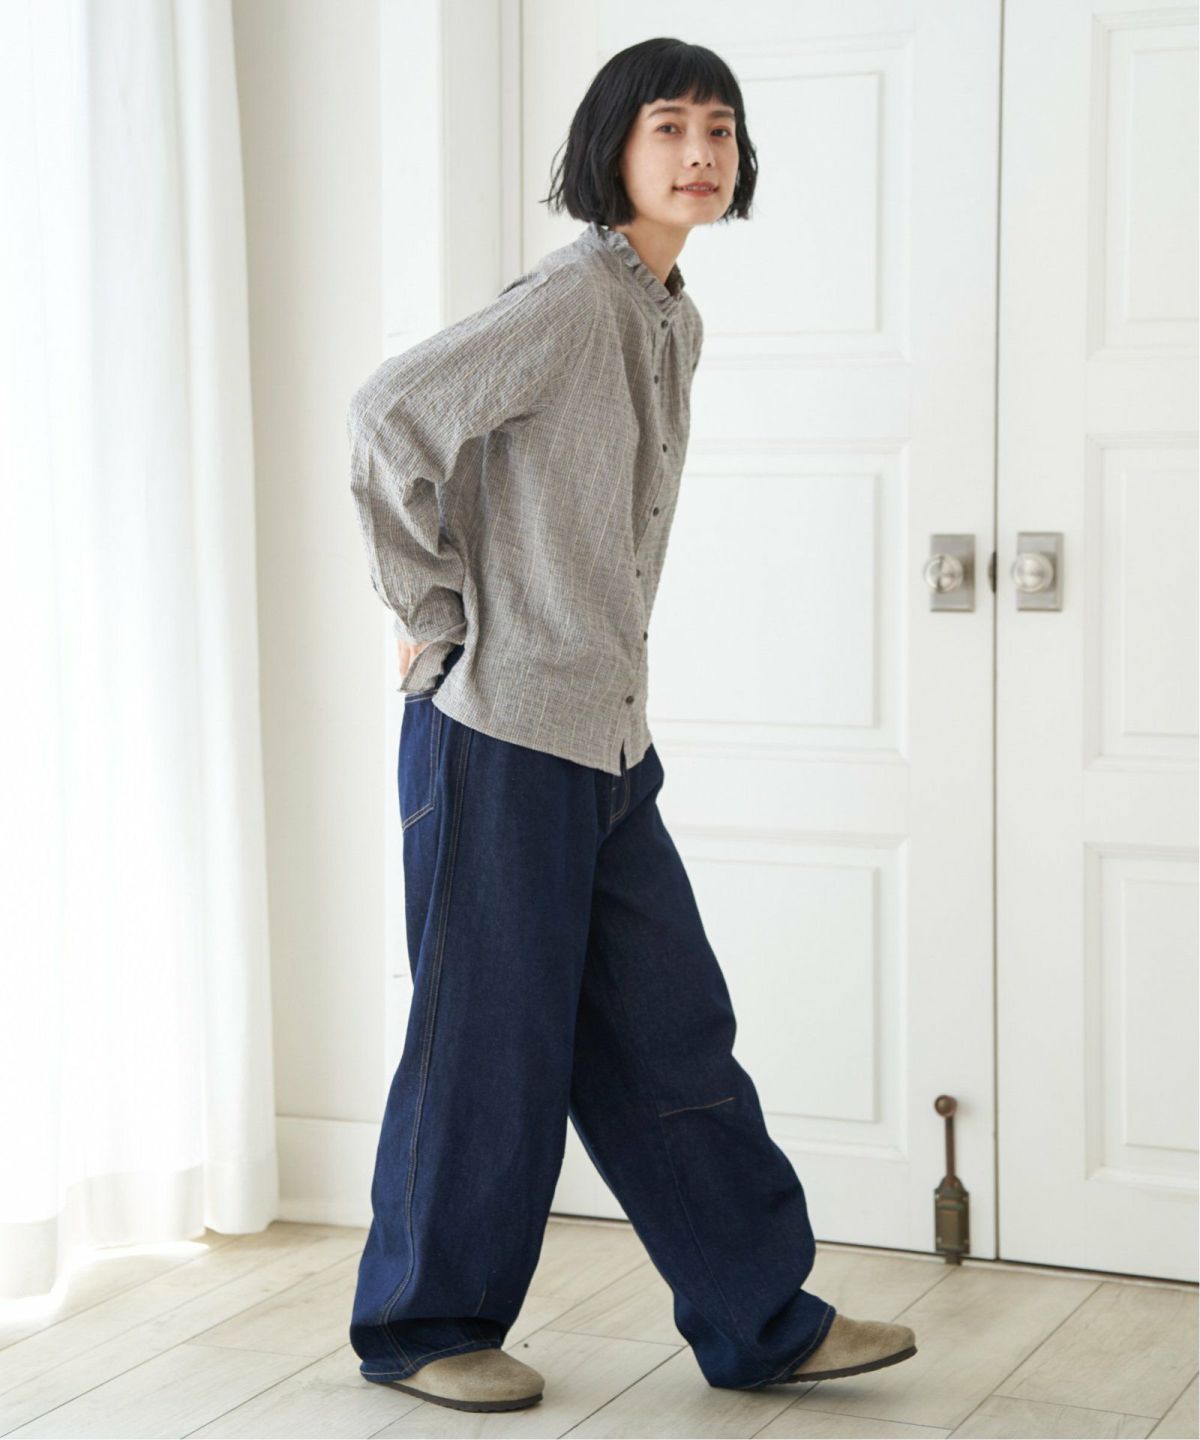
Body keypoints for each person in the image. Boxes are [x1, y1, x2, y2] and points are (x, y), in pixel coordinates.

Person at [344, 36, 917, 1415]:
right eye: (670, 126)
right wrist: (432, 609)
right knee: (488, 1042)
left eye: (720, 128)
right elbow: (388, 413)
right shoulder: (572, 300)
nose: (701, 153)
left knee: (670, 1033)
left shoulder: (669, 317)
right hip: (498, 733)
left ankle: (759, 1318)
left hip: (602, 740)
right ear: (614, 147)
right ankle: (423, 1326)